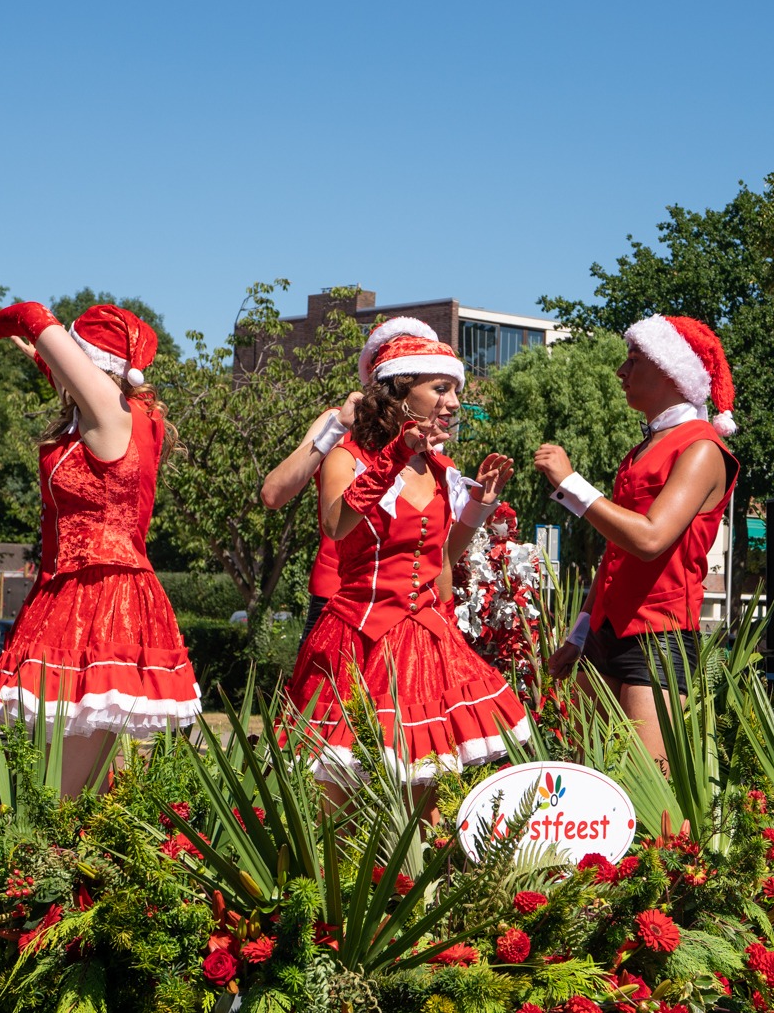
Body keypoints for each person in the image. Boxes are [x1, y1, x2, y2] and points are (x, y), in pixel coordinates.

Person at [0, 295, 203, 795]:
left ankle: (53, 870)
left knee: (60, 794)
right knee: (56, 783)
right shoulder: (124, 413)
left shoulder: (109, 416)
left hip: (96, 595)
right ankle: (61, 866)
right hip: (73, 589)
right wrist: (28, 349)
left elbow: (32, 310)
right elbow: (60, 369)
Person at [288, 330, 528, 797]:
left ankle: (414, 873)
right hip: (360, 637)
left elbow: (440, 560)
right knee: (339, 794)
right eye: (441, 388)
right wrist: (396, 455)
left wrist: (478, 506)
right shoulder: (348, 456)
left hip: (425, 641)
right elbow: (336, 525)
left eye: (454, 390)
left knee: (425, 797)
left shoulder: (439, 467)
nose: (454, 402)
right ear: (399, 392)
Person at [535, 314, 738, 765]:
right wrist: (580, 632)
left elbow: (649, 540)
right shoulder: (644, 447)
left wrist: (573, 484)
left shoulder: (701, 447)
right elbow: (615, 555)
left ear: (671, 369)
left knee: (649, 801)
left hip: (659, 636)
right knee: (583, 784)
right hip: (605, 634)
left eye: (633, 360)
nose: (621, 372)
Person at [259, 317, 439, 641]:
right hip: (339, 594)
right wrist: (336, 430)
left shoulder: (431, 443)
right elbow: (273, 494)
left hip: (409, 608)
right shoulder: (339, 422)